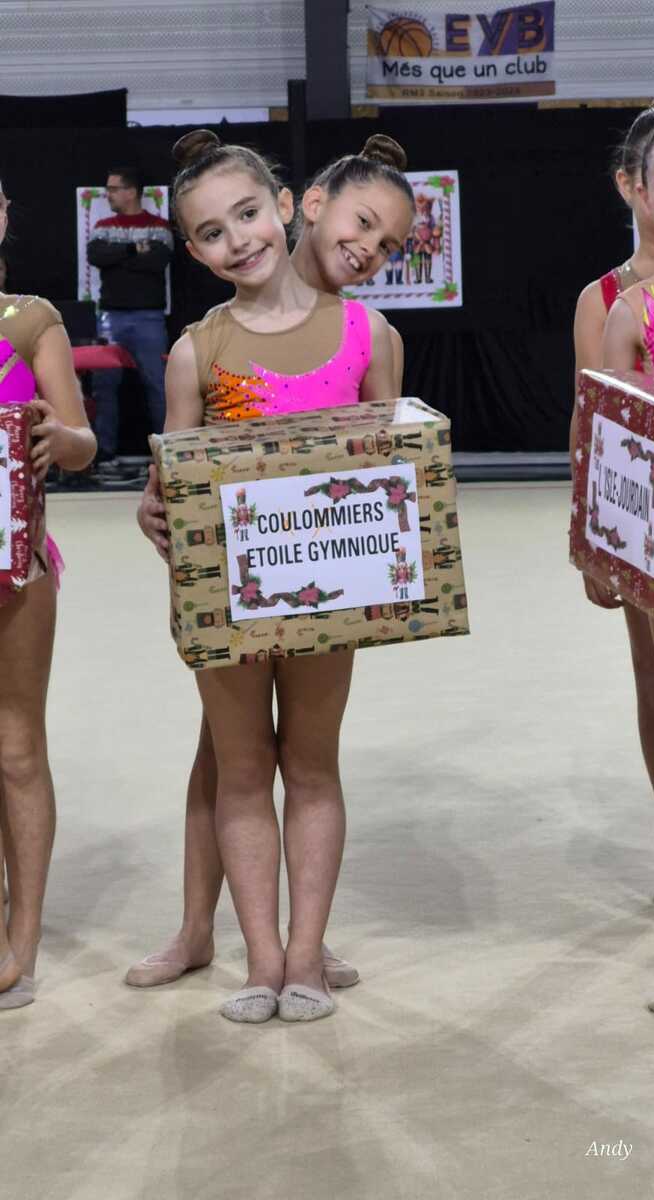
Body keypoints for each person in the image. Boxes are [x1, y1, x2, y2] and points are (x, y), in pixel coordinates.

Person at [133, 129, 413, 1023]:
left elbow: (391, 476)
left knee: (312, 766)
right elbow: (172, 486)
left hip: (328, 598)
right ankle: (257, 957)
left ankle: (303, 957)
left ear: (285, 206)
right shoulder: (197, 350)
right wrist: (161, 523)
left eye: (247, 214)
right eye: (211, 232)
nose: (237, 240)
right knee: (241, 770)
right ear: (193, 251)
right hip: (228, 600)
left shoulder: (369, 334)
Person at [571, 97, 654, 905]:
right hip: (652, 526)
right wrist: (593, 543)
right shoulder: (610, 302)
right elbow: (596, 424)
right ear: (631, 186)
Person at [0, 176, 97, 1010]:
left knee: (15, 748)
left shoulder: (31, 321)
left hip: (15, 565)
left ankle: (21, 937)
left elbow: (82, 443)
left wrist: (58, 436)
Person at [86, 166, 173, 475]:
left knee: (158, 386)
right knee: (104, 386)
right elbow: (97, 256)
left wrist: (119, 256)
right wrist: (135, 250)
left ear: (131, 191)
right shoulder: (102, 226)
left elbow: (158, 260)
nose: (108, 194)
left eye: (113, 189)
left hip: (149, 318)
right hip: (111, 317)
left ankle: (167, 455)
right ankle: (104, 454)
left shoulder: (159, 226)